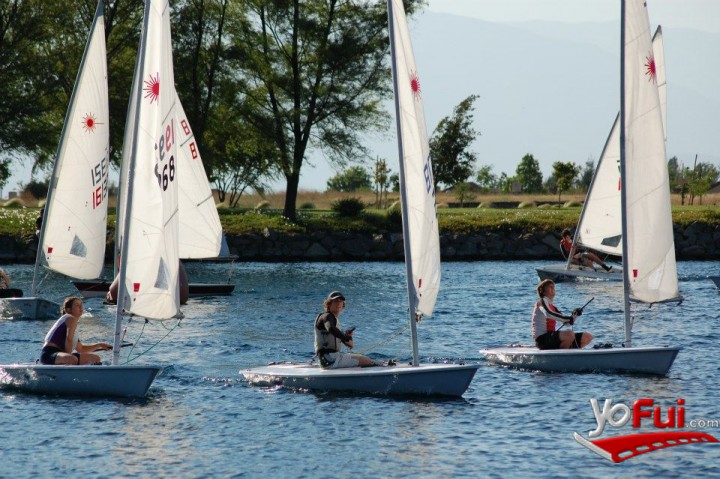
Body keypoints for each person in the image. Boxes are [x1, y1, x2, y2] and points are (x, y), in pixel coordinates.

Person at [314, 291, 385, 368]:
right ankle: (380, 366)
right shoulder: (326, 316)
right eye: (335, 301)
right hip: (329, 359)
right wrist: (345, 337)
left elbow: (350, 345)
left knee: (363, 358)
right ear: (329, 303)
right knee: (364, 360)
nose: (338, 303)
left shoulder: (334, 322)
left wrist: (348, 336)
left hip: (332, 358)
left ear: (343, 304)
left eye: (340, 301)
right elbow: (330, 328)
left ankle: (379, 364)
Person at [40, 297, 112, 365]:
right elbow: (69, 339)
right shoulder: (70, 318)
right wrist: (69, 355)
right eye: (77, 305)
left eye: (81, 305)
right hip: (49, 354)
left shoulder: (72, 324)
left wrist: (100, 345)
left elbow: (81, 349)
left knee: (95, 358)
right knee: (72, 359)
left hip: (62, 355)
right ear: (69, 310)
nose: (81, 307)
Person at [531, 279, 592, 350]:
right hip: (541, 340)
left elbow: (567, 323)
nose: (553, 288)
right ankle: (562, 355)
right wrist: (567, 318)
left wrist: (574, 315)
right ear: (543, 291)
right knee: (569, 335)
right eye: (551, 287)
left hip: (551, 337)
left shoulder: (553, 307)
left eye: (554, 287)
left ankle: (568, 352)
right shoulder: (541, 302)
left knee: (587, 337)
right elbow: (548, 314)